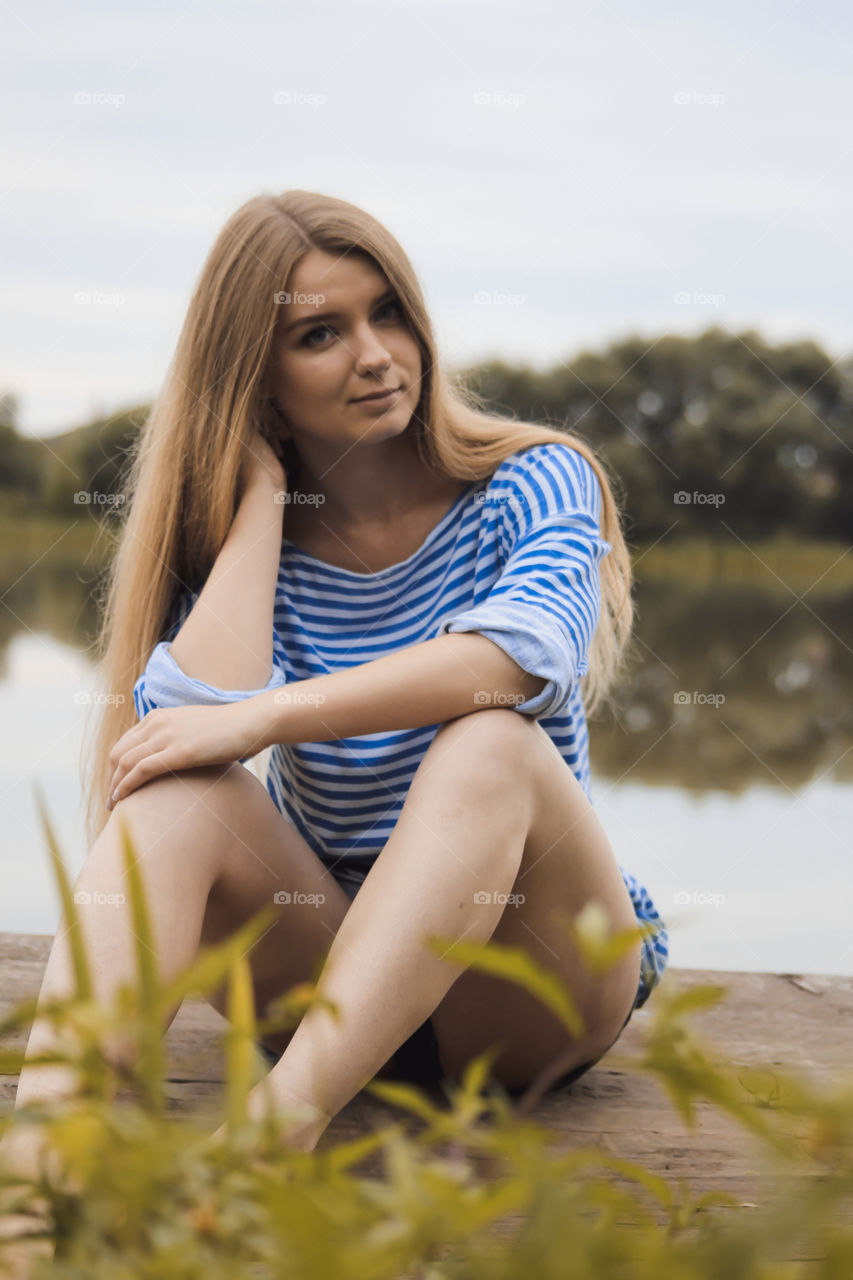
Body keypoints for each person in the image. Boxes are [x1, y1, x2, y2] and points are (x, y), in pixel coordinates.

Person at [10, 189, 668, 1159]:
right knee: (174, 793)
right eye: (321, 332)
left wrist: (268, 717)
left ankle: (271, 1138)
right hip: (328, 973)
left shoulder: (535, 478)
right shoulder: (253, 543)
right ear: (258, 380)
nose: (374, 351)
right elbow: (185, 730)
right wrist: (264, 499)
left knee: (490, 738)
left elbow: (521, 658)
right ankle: (36, 1178)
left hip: (524, 986)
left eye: (387, 310)